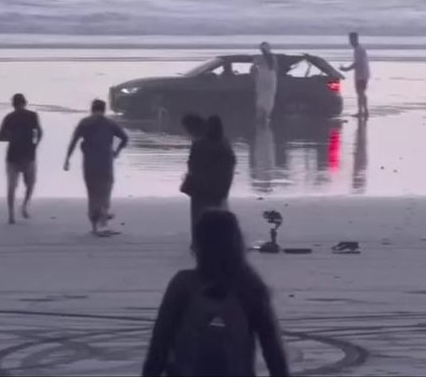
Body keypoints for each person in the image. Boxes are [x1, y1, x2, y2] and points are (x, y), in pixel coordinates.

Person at [142, 209, 290, 377]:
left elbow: (159, 345)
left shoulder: (183, 285)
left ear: (199, 245)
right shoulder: (250, 287)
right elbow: (273, 351)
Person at [63, 99, 128, 235]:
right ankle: (103, 223)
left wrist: (67, 159)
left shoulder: (85, 122)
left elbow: (74, 141)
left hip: (89, 162)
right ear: (104, 110)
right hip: (105, 162)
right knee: (105, 192)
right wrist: (116, 151)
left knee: (92, 193)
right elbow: (124, 138)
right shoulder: (110, 123)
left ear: (92, 109)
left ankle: (94, 226)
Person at [182, 116, 236, 243]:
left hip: (200, 188)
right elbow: (231, 165)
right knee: (218, 215)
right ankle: (218, 240)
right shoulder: (224, 144)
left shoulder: (199, 144)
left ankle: (198, 242)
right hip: (219, 188)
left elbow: (192, 165)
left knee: (198, 216)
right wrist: (225, 187)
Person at [0, 93, 43, 224]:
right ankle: (24, 205)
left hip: (13, 156)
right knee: (30, 184)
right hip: (29, 155)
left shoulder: (9, 118)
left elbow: (0, 137)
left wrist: (12, 137)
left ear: (13, 104)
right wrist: (35, 145)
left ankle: (11, 215)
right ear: (25, 102)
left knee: (11, 186)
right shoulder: (32, 116)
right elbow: (40, 133)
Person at [340, 32, 371, 118]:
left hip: (361, 74)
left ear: (355, 39)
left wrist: (346, 69)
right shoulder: (360, 49)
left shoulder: (358, 50)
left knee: (360, 93)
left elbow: (357, 64)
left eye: (351, 40)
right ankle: (364, 111)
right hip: (363, 74)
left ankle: (362, 111)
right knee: (362, 93)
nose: (350, 42)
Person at [252, 42, 278, 123]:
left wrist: (254, 76)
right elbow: (276, 68)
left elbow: (253, 69)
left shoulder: (259, 58)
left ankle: (260, 116)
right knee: (269, 97)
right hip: (271, 77)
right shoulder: (273, 58)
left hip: (262, 76)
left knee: (261, 96)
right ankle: (266, 116)